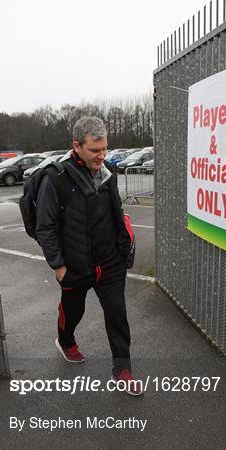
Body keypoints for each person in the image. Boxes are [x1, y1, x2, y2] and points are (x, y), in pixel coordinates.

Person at [35, 116, 143, 396]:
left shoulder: (107, 172)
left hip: (109, 262)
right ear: (77, 146)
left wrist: (123, 250)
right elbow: (44, 227)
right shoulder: (55, 178)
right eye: (95, 150)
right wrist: (58, 266)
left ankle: (122, 370)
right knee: (74, 311)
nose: (102, 156)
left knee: (117, 313)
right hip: (74, 265)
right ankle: (65, 339)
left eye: (104, 149)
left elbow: (115, 212)